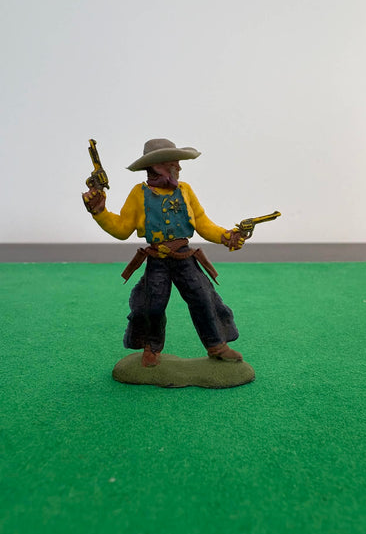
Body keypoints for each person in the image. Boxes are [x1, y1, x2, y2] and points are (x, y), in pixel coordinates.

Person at [82, 138, 245, 367]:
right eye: (173, 163)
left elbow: (202, 222)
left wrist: (226, 236)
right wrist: (100, 212)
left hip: (184, 257)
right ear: (158, 166)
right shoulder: (139, 194)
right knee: (153, 305)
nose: (179, 167)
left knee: (202, 297)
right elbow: (122, 229)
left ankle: (216, 345)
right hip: (158, 260)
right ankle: (151, 347)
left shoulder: (185, 190)